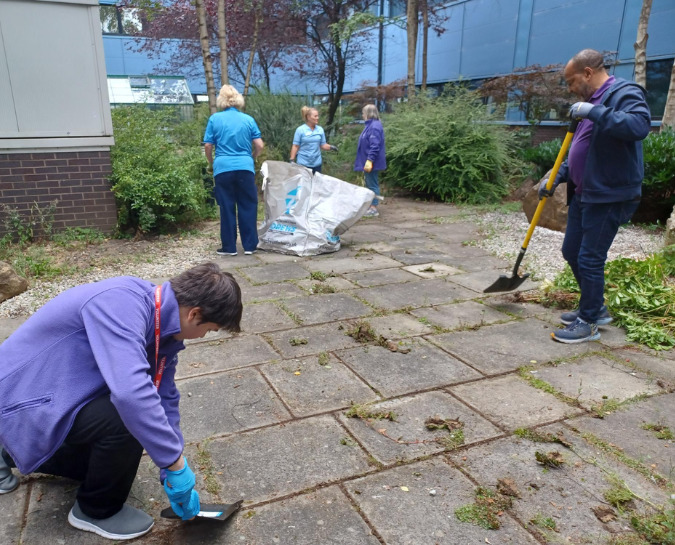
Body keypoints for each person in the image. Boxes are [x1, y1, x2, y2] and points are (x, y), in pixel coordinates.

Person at [0, 263, 243, 540]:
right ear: (194, 314)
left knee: (102, 462)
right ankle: (95, 511)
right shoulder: (120, 302)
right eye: (209, 330)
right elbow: (132, 395)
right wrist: (175, 464)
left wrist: (172, 462)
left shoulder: (163, 330)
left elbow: (164, 397)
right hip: (17, 397)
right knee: (126, 419)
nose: (202, 336)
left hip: (53, 392)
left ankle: (10, 448)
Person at [538, 49, 651, 343]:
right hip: (584, 193)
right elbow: (582, 149)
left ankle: (588, 323)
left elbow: (639, 126)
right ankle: (596, 308)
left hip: (609, 195)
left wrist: (595, 112)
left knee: (589, 258)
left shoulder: (623, 93)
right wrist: (556, 175)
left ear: (588, 73)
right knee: (571, 251)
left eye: (572, 81)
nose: (570, 89)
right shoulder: (589, 102)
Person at [204, 85, 264, 256]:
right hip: (245, 167)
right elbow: (259, 144)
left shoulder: (215, 119)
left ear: (221, 100)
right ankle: (250, 245)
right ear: (238, 99)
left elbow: (208, 145)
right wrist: (252, 156)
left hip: (223, 168)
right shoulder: (248, 119)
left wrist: (211, 162)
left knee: (226, 206)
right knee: (248, 204)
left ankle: (229, 248)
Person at [354, 104, 386, 217]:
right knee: (370, 183)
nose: (362, 115)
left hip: (371, 162)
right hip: (367, 161)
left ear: (368, 113)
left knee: (372, 184)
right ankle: (371, 205)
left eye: (363, 113)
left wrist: (370, 160)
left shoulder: (374, 127)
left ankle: (373, 208)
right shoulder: (370, 125)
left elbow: (375, 146)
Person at [289, 106, 337, 174]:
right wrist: (292, 160)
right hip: (303, 164)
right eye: (315, 116)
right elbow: (295, 146)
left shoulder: (320, 130)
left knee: (316, 184)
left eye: (318, 116)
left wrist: (331, 147)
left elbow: (323, 145)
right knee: (304, 184)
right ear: (308, 117)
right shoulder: (300, 130)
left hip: (317, 164)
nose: (317, 118)